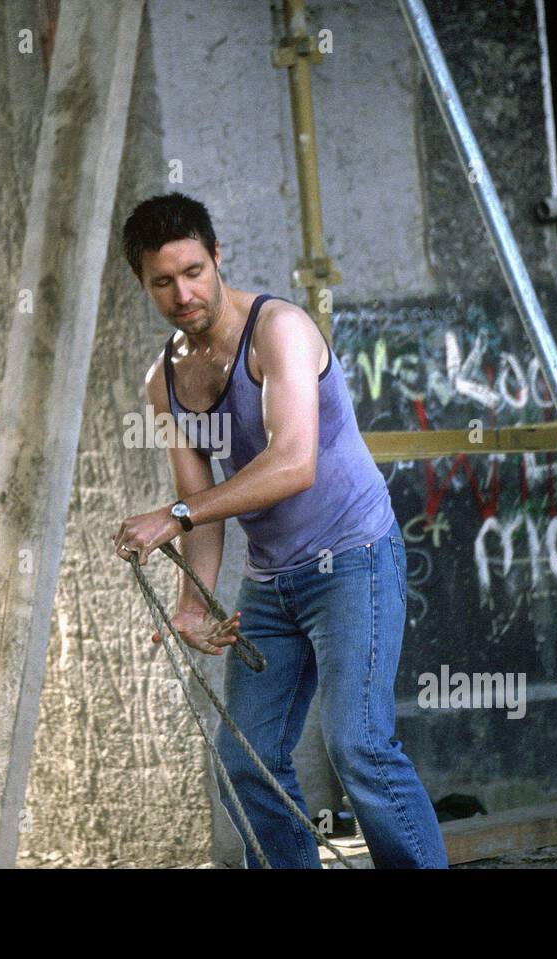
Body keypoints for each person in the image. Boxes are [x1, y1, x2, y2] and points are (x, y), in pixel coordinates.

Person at [111, 192, 447, 870]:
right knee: (247, 761)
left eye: (194, 270)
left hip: (352, 558)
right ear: (143, 284)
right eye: (163, 281)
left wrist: (173, 519)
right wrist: (193, 600)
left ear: (217, 257)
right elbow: (198, 498)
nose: (184, 293)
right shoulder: (165, 380)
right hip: (272, 581)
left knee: (358, 744)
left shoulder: (279, 330)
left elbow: (292, 462)